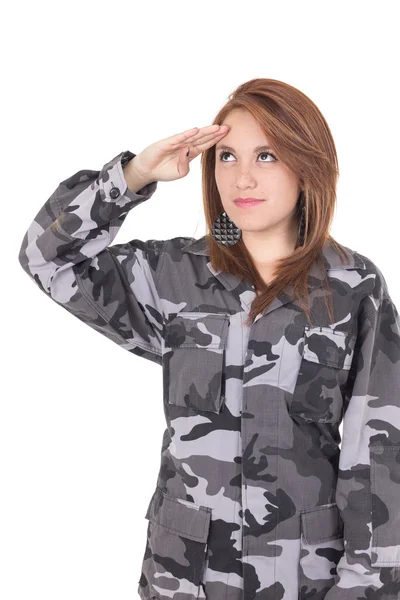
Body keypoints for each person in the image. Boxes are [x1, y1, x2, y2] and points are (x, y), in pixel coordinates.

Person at [18, 78, 400, 599]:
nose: (243, 176)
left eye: (267, 155)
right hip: (184, 576)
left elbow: (378, 455)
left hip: (306, 579)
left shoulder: (353, 288)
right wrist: (131, 177)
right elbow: (47, 258)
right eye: (226, 157)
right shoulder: (170, 275)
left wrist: (365, 587)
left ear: (306, 164)